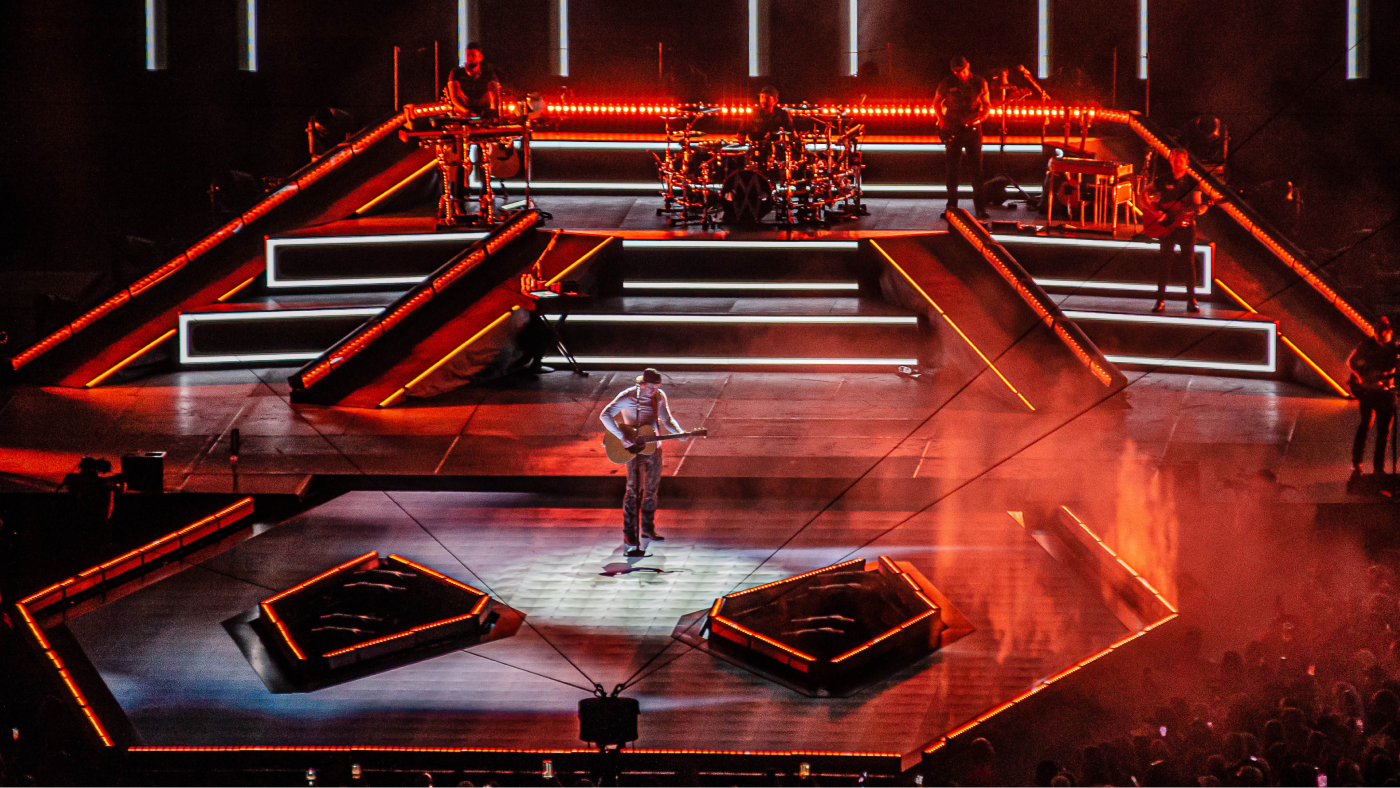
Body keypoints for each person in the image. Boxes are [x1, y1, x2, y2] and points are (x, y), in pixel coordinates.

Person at [600, 369, 686, 556]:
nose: (654, 390)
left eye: (657, 387)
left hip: (654, 447)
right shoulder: (628, 396)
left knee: (652, 490)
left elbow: (667, 419)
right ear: (642, 384)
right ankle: (629, 533)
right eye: (651, 387)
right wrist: (621, 436)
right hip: (634, 450)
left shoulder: (659, 396)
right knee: (633, 491)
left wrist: (679, 432)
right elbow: (605, 415)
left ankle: (647, 528)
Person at [1147, 148, 1209, 313]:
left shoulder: (1193, 182)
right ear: (1170, 161)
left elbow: (1197, 203)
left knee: (1189, 264)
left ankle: (1191, 301)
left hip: (1186, 228)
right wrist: (1154, 212)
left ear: (1187, 162)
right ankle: (1160, 300)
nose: (1177, 163)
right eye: (1174, 160)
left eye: (1180, 160)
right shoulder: (1162, 179)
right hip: (1167, 228)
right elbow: (1144, 193)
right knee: (1164, 264)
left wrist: (1202, 208)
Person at [933, 57, 992, 220]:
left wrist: (979, 118)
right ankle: (951, 207)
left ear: (968, 66)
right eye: (956, 72)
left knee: (976, 170)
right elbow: (936, 103)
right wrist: (941, 119)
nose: (960, 74)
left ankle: (980, 207)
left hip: (973, 129)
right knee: (952, 170)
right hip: (953, 128)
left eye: (962, 70)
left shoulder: (980, 83)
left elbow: (987, 106)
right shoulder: (947, 82)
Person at [1348, 317, 1397, 478]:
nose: (1381, 337)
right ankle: (1357, 463)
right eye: (1378, 334)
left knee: (1383, 431)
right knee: (1366, 426)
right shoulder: (1367, 345)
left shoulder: (1394, 348)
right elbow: (1352, 362)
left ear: (1389, 332)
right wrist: (1362, 376)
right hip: (1369, 391)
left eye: (1384, 334)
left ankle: (1378, 468)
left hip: (1385, 392)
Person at [741, 85, 797, 162]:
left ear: (775, 100)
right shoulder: (752, 115)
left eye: (767, 98)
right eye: (762, 97)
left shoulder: (783, 115)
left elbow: (792, 135)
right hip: (756, 155)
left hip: (778, 155)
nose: (763, 101)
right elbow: (740, 136)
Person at [446, 43, 502, 118]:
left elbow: (494, 96)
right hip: (463, 114)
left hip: (484, 112)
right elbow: (455, 98)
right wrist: (468, 112)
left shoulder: (489, 74)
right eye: (468, 55)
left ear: (480, 57)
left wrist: (493, 114)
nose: (470, 58)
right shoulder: (456, 73)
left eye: (473, 55)